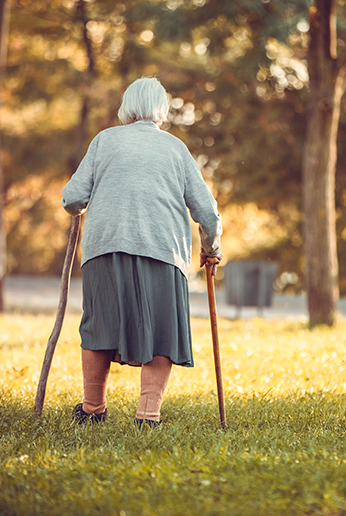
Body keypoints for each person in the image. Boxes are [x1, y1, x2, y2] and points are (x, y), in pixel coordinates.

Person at [61, 77, 222, 428]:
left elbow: (72, 197)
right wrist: (212, 249)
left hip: (105, 246)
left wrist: (81, 208)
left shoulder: (104, 141)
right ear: (161, 111)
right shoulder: (175, 148)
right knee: (162, 329)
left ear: (126, 107)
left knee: (100, 325)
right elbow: (206, 212)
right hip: (163, 249)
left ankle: (92, 410)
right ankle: (148, 416)